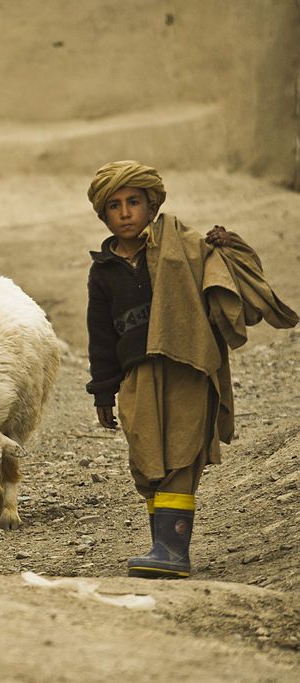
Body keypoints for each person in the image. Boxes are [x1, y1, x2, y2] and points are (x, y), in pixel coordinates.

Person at [85, 160, 296, 579]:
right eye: (114, 205)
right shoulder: (102, 271)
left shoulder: (180, 246)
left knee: (181, 453)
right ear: (103, 214)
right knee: (148, 458)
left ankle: (172, 551)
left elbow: (233, 270)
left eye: (134, 202)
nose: (125, 212)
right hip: (136, 375)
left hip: (185, 365)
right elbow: (102, 337)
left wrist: (226, 243)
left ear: (152, 205)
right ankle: (162, 546)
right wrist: (104, 392)